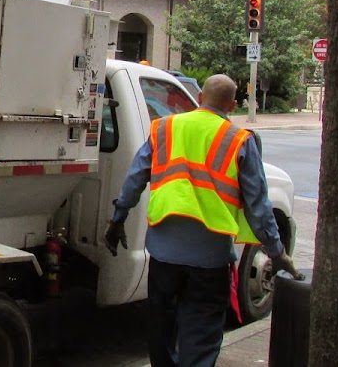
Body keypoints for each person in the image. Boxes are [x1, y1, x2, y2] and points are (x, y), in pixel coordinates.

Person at [103, 73, 302, 367]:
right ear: (232, 105)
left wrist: (118, 218)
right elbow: (258, 207)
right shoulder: (239, 140)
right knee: (201, 333)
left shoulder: (165, 128)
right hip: (210, 258)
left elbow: (135, 180)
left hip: (164, 254)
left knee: (161, 328)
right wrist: (277, 252)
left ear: (199, 97)